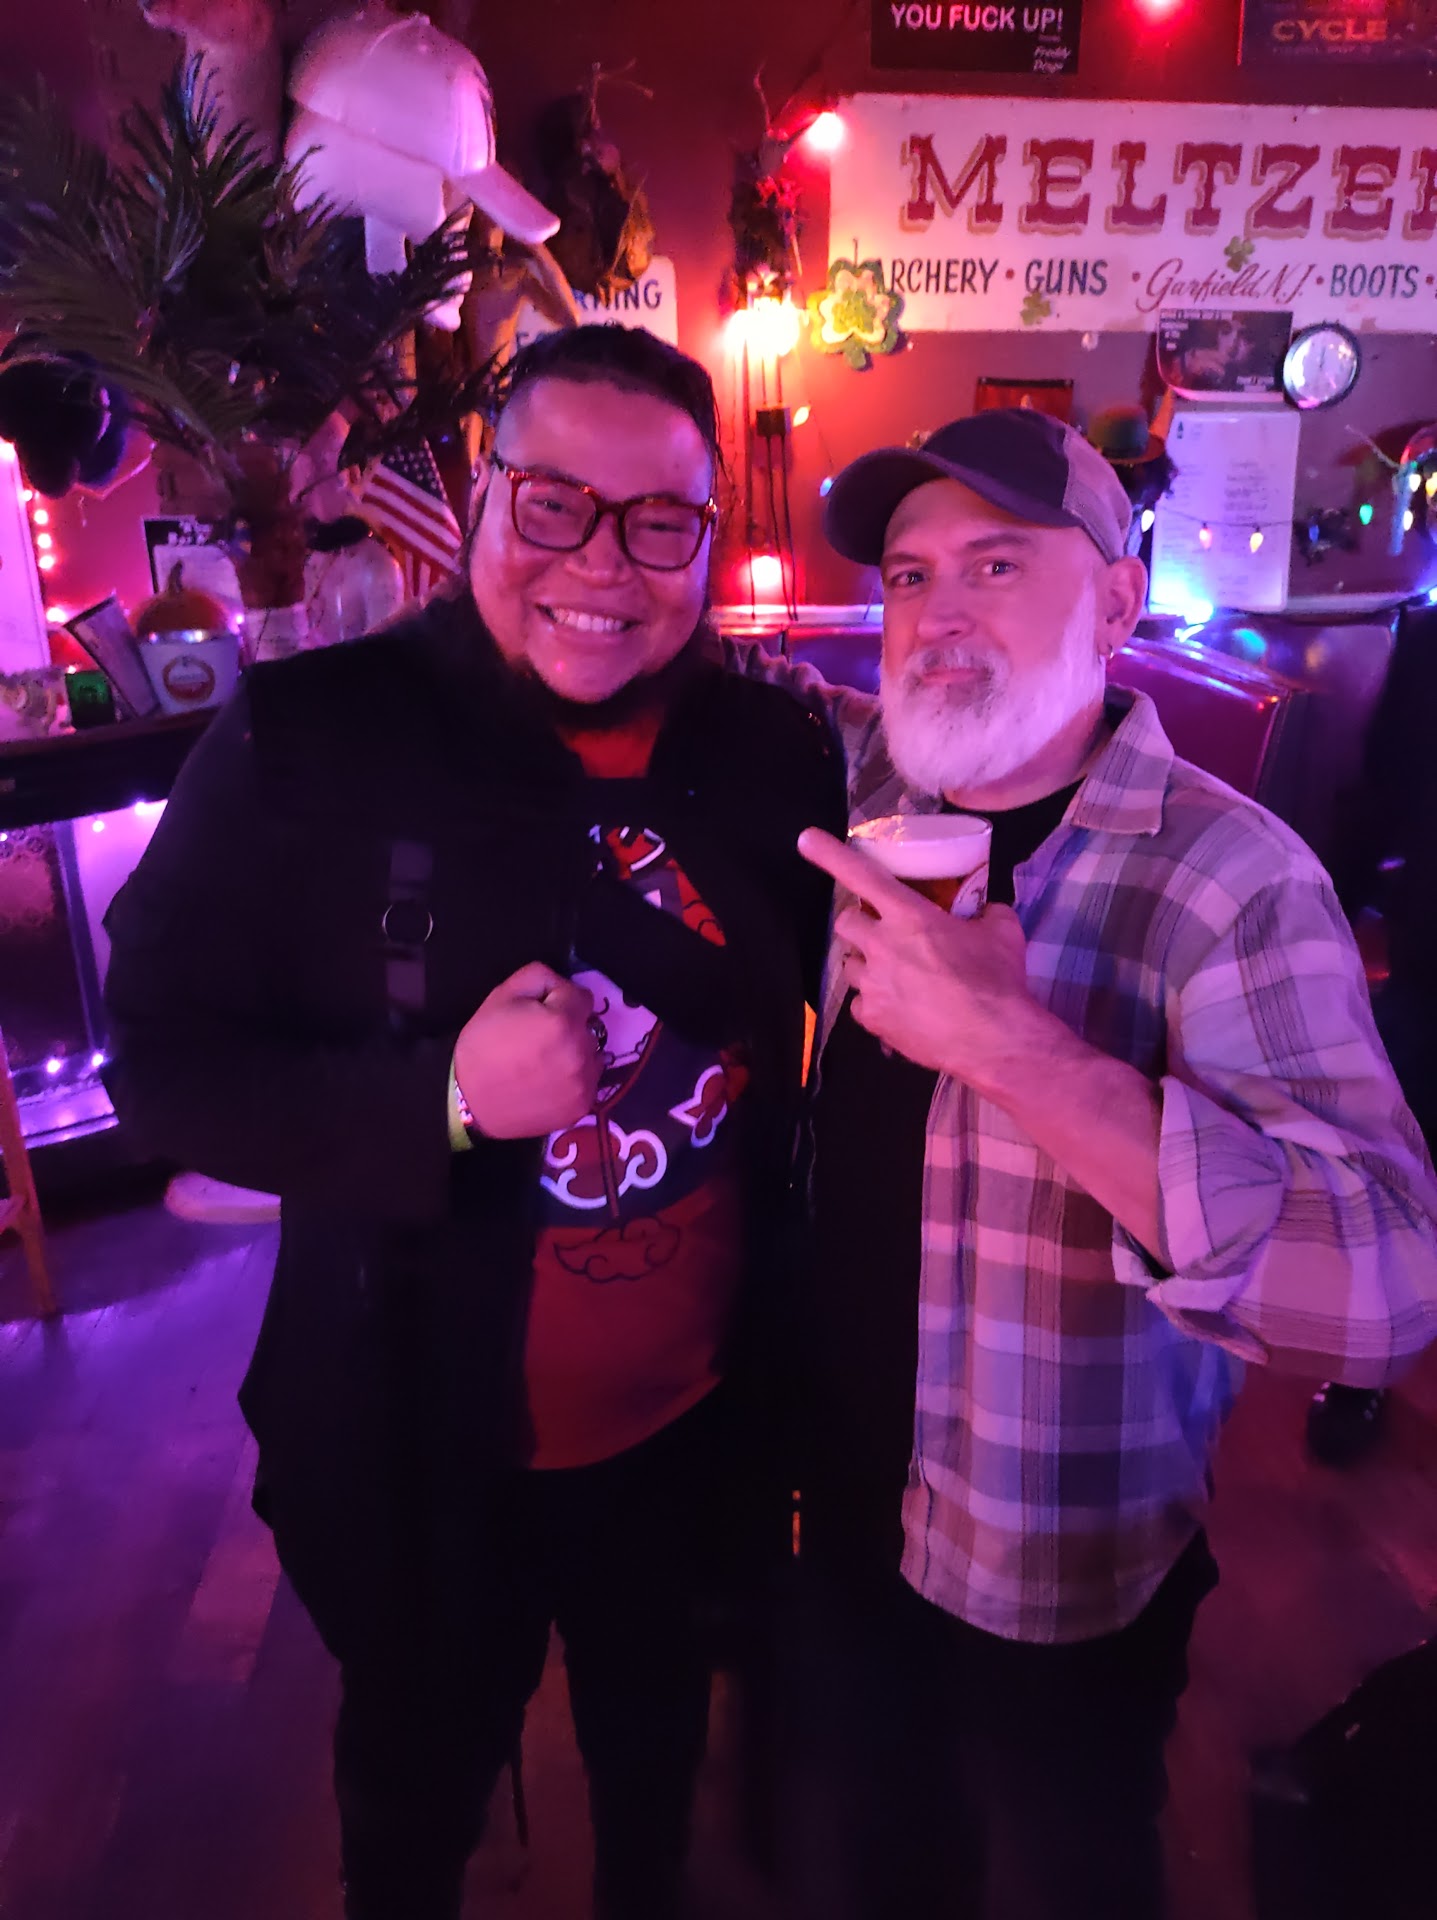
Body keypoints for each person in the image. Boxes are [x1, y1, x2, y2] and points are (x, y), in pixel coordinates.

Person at [102, 324, 845, 1920]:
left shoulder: (774, 752)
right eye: (555, 502)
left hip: (695, 1425)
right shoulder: (311, 737)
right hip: (415, 1438)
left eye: (659, 521)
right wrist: (439, 1099)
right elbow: (155, 1061)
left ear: (707, 537)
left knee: (655, 1768)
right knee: (412, 1798)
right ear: (484, 496)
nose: (603, 563)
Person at [731, 407, 1437, 1920]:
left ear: (1119, 603)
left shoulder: (1231, 878)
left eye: (996, 565)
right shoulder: (884, 799)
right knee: (875, 1860)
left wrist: (1020, 1051)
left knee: (1069, 1871)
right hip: (839, 1504)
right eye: (910, 577)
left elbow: (1383, 1284)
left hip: (1053, 1554)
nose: (937, 613)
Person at [1307, 595, 1437, 1465]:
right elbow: (1381, 792)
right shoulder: (1429, 640)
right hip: (1432, 953)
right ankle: (1364, 1371)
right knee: (1395, 1165)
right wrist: (1326, 924)